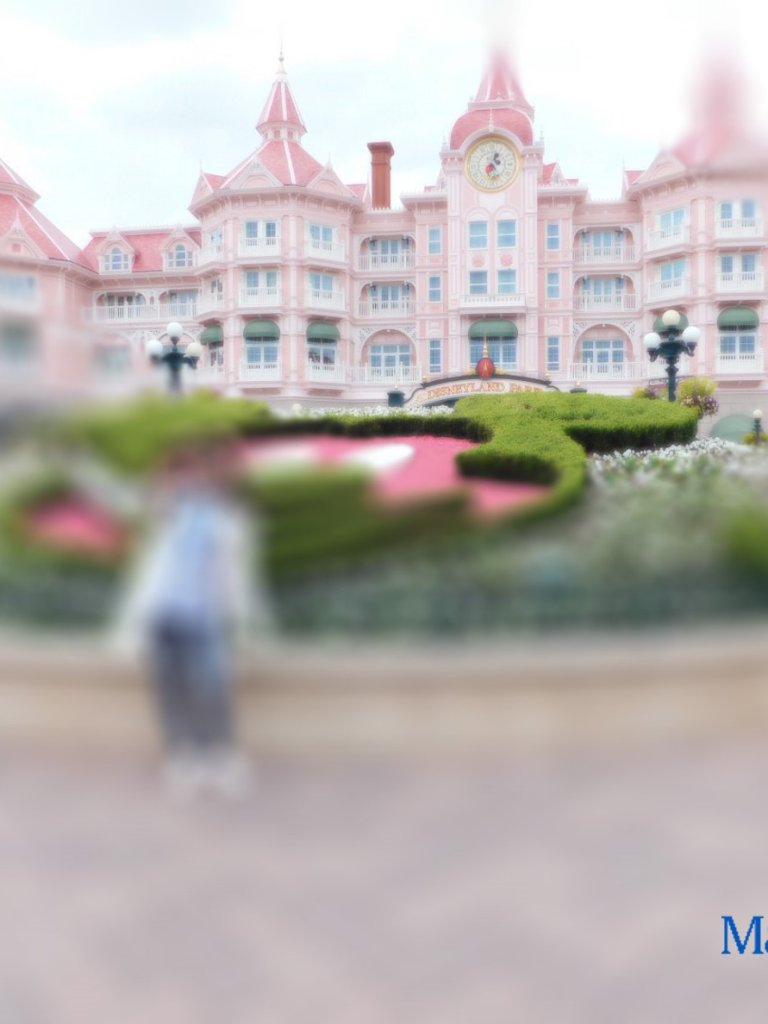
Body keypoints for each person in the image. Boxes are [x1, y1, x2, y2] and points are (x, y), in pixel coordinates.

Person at [115, 436, 269, 798]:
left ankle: (223, 757)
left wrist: (245, 625)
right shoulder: (165, 510)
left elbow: (239, 576)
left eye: (198, 471)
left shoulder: (229, 518)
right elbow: (123, 498)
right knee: (170, 691)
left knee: (213, 690)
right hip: (164, 615)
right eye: (183, 473)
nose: (192, 479)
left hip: (205, 618)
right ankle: (182, 759)